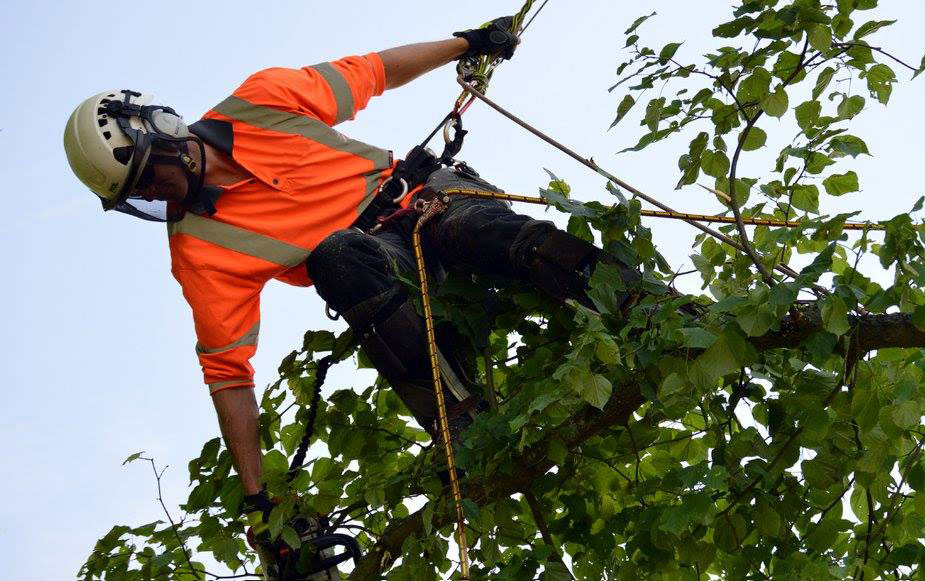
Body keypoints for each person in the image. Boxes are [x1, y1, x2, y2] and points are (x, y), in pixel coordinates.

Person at [64, 16, 636, 574]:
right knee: (336, 255)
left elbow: (372, 72)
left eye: (151, 175)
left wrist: (469, 42)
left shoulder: (261, 100)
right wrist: (260, 504)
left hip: (428, 197)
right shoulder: (199, 250)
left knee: (491, 234)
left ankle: (643, 306)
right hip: (380, 263)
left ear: (162, 131)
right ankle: (458, 418)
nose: (157, 195)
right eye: (139, 195)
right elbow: (228, 375)